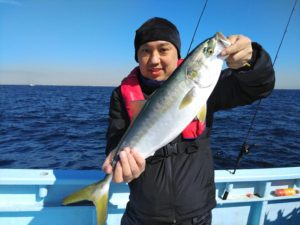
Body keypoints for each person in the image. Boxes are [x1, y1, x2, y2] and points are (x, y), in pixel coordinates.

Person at [102, 17, 275, 225]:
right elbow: (116, 137)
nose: (154, 59)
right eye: (145, 51)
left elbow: (259, 86)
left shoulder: (208, 87)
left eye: (163, 49)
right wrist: (119, 164)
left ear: (178, 54)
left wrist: (251, 60)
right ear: (137, 57)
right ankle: (99, 192)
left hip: (197, 216)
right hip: (142, 216)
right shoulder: (121, 95)